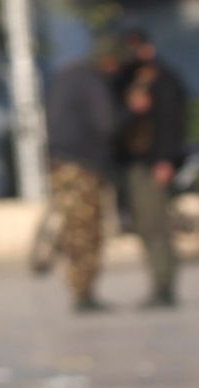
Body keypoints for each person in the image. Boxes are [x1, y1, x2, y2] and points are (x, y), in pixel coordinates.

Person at [111, 29, 189, 311]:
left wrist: (165, 161)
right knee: (145, 227)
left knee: (156, 227)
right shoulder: (126, 81)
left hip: (152, 164)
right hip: (131, 165)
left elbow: (171, 124)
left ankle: (164, 286)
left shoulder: (163, 80)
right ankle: (159, 283)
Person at [40, 37, 119, 314]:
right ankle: (84, 292)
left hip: (60, 163)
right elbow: (105, 122)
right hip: (84, 165)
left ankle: (80, 288)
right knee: (86, 229)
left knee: (73, 226)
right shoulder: (92, 80)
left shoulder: (64, 77)